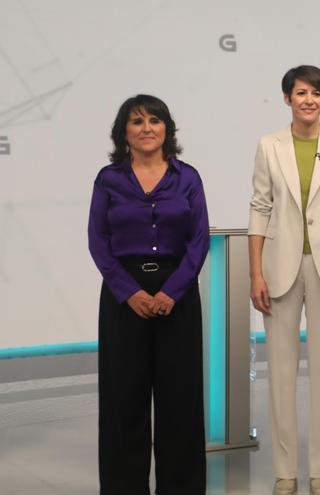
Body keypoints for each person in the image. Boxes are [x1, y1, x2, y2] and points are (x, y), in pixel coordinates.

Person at [248, 65, 320, 495]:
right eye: (301, 92)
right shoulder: (268, 146)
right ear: (287, 99)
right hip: (278, 268)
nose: (309, 100)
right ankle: (284, 471)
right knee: (279, 373)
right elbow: (259, 207)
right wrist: (255, 271)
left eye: (316, 93)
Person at [88, 94, 209, 494]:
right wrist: (130, 292)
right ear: (124, 132)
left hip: (178, 294)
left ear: (167, 130)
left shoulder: (187, 178)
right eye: (137, 121)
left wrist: (172, 292)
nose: (146, 128)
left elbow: (199, 240)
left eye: (155, 121)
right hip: (125, 297)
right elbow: (98, 242)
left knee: (180, 402)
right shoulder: (109, 180)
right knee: (124, 401)